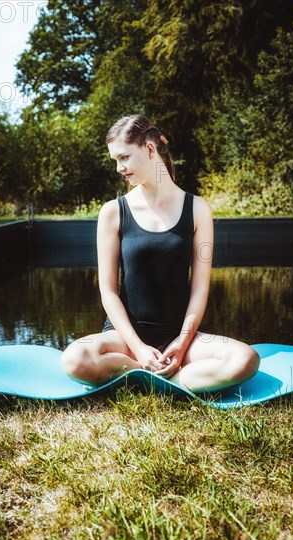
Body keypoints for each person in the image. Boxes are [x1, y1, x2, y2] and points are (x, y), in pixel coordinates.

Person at [61, 114, 260, 393]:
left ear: (150, 149)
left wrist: (181, 342)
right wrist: (139, 349)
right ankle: (150, 372)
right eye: (115, 161)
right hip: (125, 340)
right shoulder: (113, 212)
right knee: (74, 358)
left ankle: (167, 378)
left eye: (124, 157)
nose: (119, 168)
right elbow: (108, 291)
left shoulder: (198, 209)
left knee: (245, 359)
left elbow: (200, 289)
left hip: (180, 338)